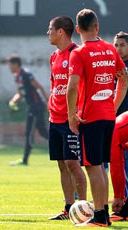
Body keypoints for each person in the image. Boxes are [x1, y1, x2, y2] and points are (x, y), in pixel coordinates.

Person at [67, 9, 128, 227]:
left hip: (90, 117)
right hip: (108, 116)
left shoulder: (79, 53)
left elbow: (72, 87)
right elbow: (124, 78)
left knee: (93, 167)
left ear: (77, 29)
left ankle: (100, 214)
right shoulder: (111, 50)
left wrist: (71, 114)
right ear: (97, 27)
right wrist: (113, 105)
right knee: (100, 166)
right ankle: (102, 214)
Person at [46, 16, 87, 220]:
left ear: (61, 31)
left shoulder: (77, 54)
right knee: (62, 164)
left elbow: (81, 86)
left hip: (70, 119)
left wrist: (76, 113)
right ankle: (69, 207)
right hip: (54, 117)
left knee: (73, 163)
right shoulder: (54, 56)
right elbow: (54, 85)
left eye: (50, 29)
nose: (48, 33)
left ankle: (85, 208)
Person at [7, 54, 49, 166]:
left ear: (16, 64)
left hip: (36, 106)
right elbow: (20, 94)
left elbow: (39, 87)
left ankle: (25, 160)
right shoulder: (17, 76)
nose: (8, 67)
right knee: (42, 132)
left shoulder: (26, 74)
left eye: (10, 65)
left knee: (30, 133)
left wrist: (49, 102)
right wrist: (13, 101)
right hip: (32, 107)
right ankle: (62, 143)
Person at [109, 31, 128, 222]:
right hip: (116, 123)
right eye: (116, 45)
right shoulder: (113, 67)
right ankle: (122, 202)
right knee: (117, 164)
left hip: (125, 124)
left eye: (122, 45)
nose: (118, 49)